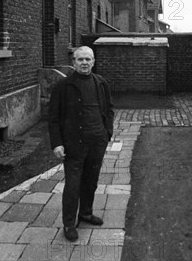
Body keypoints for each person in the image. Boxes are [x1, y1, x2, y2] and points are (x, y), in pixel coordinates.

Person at [48, 46, 114, 241]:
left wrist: (107, 132)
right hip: (74, 145)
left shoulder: (101, 83)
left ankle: (85, 213)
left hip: (97, 142)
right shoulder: (63, 86)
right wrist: (57, 143)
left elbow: (109, 109)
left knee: (90, 181)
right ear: (74, 62)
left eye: (88, 59)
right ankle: (69, 224)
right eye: (80, 59)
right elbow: (53, 118)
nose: (84, 63)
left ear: (93, 61)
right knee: (73, 185)